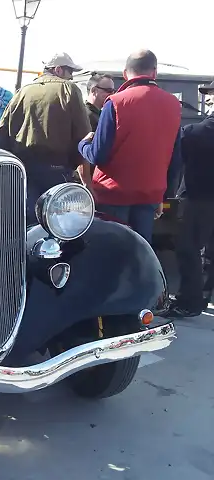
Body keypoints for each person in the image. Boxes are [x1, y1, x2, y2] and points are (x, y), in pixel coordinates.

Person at [77, 49, 182, 244]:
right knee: (140, 252)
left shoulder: (116, 102)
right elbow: (175, 158)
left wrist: (83, 144)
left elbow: (98, 155)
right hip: (150, 193)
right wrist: (163, 196)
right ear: (155, 72)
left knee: (112, 252)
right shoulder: (174, 104)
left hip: (113, 194)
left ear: (126, 73)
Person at [0, 52, 90, 222]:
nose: (71, 77)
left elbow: (2, 133)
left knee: (27, 223)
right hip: (57, 171)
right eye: (70, 73)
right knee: (55, 225)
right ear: (59, 70)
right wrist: (76, 167)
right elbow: (83, 136)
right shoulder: (69, 90)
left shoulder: (23, 91)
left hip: (23, 170)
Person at [163, 79, 214, 317]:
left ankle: (190, 302)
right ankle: (204, 295)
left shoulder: (195, 132)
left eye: (211, 95)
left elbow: (173, 162)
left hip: (198, 198)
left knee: (188, 249)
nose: (209, 98)